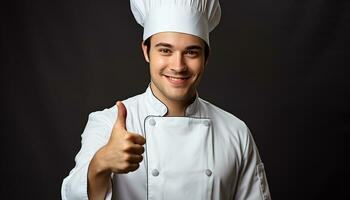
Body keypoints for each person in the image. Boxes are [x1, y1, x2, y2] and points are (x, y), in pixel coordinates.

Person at [61, 0, 271, 199]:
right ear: (146, 51)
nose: (178, 65)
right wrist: (101, 163)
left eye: (191, 52)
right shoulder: (107, 124)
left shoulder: (235, 132)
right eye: (165, 50)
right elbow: (72, 196)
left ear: (206, 57)